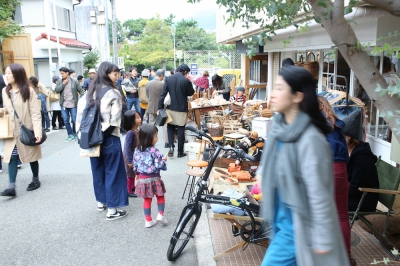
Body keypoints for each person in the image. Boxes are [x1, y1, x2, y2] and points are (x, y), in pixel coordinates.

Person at [259, 66, 349, 265]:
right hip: (281, 225)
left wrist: (322, 239)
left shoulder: (310, 139)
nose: (272, 94)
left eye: (280, 88)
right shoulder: (279, 129)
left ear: (297, 96)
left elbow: (319, 194)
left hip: (299, 230)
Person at [76, 61, 128, 220]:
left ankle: (101, 201)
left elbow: (79, 118)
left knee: (97, 170)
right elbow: (115, 120)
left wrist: (83, 136)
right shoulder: (113, 93)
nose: (117, 77)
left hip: (90, 137)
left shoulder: (89, 92)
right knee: (113, 172)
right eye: (115, 74)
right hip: (109, 137)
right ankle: (112, 210)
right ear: (107, 74)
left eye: (118, 74)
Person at [318, 96, 356, 265]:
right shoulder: (336, 124)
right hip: (339, 168)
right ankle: (345, 256)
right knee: (341, 216)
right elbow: (346, 156)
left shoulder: (310, 123)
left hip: (321, 168)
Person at [0, 63, 43, 197]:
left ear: (17, 74)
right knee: (12, 157)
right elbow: (9, 109)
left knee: (31, 155)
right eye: (5, 73)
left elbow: (35, 113)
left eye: (9, 73)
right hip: (12, 130)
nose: (6, 76)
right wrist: (2, 111)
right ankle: (11, 187)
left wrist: (37, 132)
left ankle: (35, 179)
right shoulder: (5, 91)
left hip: (26, 128)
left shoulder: (28, 91)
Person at [342, 109, 379, 212]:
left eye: (341, 136)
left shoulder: (362, 157)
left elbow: (354, 188)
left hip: (362, 202)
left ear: (349, 137)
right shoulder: (353, 152)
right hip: (357, 197)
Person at [133, 124, 167, 228]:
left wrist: (137, 174)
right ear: (149, 138)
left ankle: (148, 220)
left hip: (143, 179)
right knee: (160, 196)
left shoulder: (137, 150)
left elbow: (135, 165)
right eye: (156, 136)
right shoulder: (154, 150)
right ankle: (160, 214)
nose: (157, 138)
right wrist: (164, 160)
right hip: (155, 177)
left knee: (147, 199)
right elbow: (159, 164)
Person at [158, 64, 194, 158]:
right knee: (181, 130)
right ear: (185, 72)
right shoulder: (185, 80)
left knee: (170, 128)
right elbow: (191, 92)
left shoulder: (168, 79)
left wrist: (160, 108)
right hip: (182, 109)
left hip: (170, 108)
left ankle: (171, 147)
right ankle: (180, 152)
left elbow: (162, 94)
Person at [55, 67, 85, 142]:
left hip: (73, 104)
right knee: (66, 120)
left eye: (63, 73)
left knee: (74, 120)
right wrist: (63, 84)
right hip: (64, 104)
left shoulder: (74, 81)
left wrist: (81, 100)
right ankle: (70, 134)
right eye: (61, 74)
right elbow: (56, 90)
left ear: (67, 73)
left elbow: (81, 91)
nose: (61, 75)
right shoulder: (60, 81)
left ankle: (75, 133)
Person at [123, 110, 141, 197]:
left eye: (139, 117)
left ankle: (133, 187)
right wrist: (129, 161)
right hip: (129, 156)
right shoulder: (130, 133)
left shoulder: (137, 131)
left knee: (134, 173)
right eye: (137, 118)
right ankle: (129, 190)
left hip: (135, 156)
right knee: (130, 174)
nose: (140, 119)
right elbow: (127, 147)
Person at [0, 72, 7, 173]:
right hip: (3, 108)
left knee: (7, 134)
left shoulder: (4, 77)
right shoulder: (3, 77)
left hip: (3, 110)